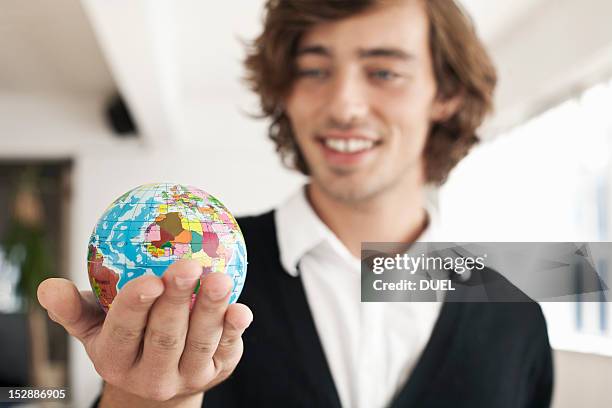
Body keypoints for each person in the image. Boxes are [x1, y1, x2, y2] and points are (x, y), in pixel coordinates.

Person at [37, 0, 553, 407]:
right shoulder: (192, 281)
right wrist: (142, 401)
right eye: (313, 71)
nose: (344, 105)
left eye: (384, 72)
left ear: (446, 95)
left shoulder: (514, 311)